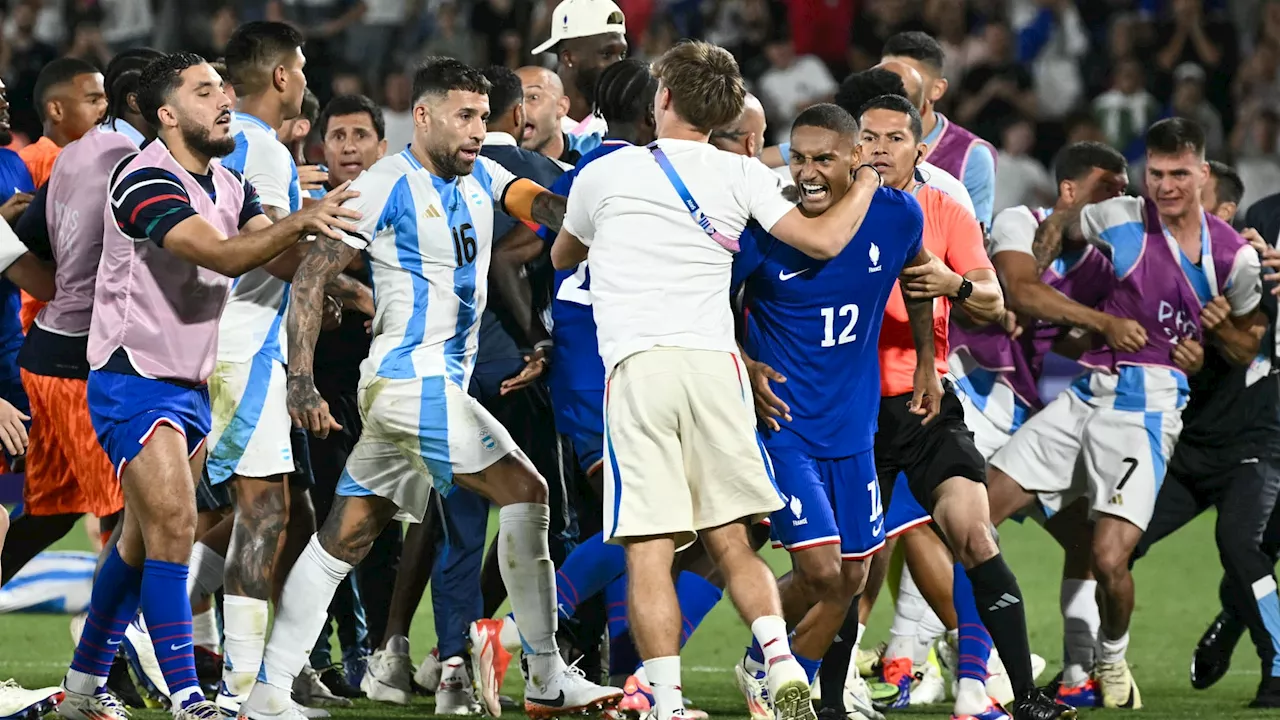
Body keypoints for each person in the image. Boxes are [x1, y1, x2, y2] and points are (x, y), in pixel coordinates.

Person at [236, 57, 623, 720]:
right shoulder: (386, 185)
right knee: (527, 492)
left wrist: (603, 213)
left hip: (420, 393)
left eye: (482, 116)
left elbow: (539, 207)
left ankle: (268, 689)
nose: (478, 129)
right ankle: (547, 676)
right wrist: (300, 379)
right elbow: (310, 275)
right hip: (408, 384)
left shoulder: (483, 176)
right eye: (464, 116)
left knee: (342, 539)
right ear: (423, 116)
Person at [551, 40, 890, 720]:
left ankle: (667, 703)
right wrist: (873, 183)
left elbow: (565, 256)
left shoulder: (605, 173)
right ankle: (781, 659)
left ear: (664, 99)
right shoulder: (743, 177)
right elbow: (822, 242)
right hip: (717, 368)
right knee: (733, 541)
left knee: (649, 552)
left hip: (639, 370)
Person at [54, 51, 359, 720]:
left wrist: (347, 282)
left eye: (223, 88)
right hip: (134, 376)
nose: (223, 100)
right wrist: (304, 219)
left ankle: (81, 688)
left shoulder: (228, 183)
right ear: (168, 114)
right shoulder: (143, 180)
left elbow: (273, 253)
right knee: (175, 527)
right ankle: (191, 698)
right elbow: (219, 253)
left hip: (191, 380)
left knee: (139, 546)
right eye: (203, 91)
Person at [986, 117, 1264, 710]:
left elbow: (1247, 345)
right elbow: (1066, 223)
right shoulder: (1121, 217)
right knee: (975, 514)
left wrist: (1216, 338)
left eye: (1179, 174)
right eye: (1156, 173)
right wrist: (1045, 248)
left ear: (1202, 174)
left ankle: (1109, 658)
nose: (1165, 185)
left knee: (1111, 559)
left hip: (1148, 412)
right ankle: (978, 658)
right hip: (1087, 393)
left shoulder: (1231, 258)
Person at [733, 101, 938, 720]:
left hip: (854, 425)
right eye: (799, 158)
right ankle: (771, 666)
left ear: (856, 158)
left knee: (853, 576)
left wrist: (927, 360)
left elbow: (919, 277)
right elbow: (712, 300)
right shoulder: (767, 225)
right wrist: (743, 359)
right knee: (822, 571)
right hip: (785, 424)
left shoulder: (898, 214)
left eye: (824, 159)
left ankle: (779, 675)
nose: (809, 173)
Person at [207, 22, 350, 715]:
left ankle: (176, 648)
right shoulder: (262, 147)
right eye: (297, 63)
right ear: (285, 76)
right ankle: (241, 693)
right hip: (244, 347)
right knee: (263, 514)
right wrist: (337, 243)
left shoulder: (231, 140)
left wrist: (332, 277)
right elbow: (274, 253)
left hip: (227, 344)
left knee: (252, 512)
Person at [974, 142, 1133, 708]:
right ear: (1069, 190)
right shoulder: (1020, 219)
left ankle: (1077, 670)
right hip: (988, 396)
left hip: (1054, 414)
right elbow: (1020, 289)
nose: (1120, 201)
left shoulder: (1111, 258)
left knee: (1084, 539)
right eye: (1107, 189)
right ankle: (944, 660)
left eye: (1124, 191)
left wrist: (1092, 331)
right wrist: (1100, 322)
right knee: (958, 524)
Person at [0, 49, 162, 588]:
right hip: (71, 360)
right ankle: (110, 654)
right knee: (128, 508)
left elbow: (32, 256)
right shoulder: (122, 158)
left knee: (55, 510)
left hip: (45, 352)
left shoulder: (71, 156)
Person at [1127, 164, 1280, 710]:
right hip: (1189, 437)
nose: (1177, 203)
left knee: (1246, 547)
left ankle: (1273, 661)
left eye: (1193, 195)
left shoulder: (1247, 251)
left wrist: (1223, 328)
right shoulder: (1262, 221)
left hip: (1257, 439)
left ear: (1223, 211)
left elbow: (1255, 344)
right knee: (1117, 541)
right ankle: (1091, 666)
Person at [301, 93, 389, 703]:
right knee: (329, 522)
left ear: (383, 145)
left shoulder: (403, 200)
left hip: (383, 390)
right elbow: (297, 269)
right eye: (338, 136)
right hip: (328, 392)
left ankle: (378, 654)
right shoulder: (310, 211)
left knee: (384, 529)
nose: (349, 146)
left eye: (361, 134)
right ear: (322, 147)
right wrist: (356, 290)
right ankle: (325, 653)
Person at [881, 31, 996, 230]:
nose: (893, 89)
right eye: (885, 77)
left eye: (909, 79)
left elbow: (974, 247)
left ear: (937, 89)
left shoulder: (971, 156)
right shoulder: (857, 142)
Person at [532, 0, 627, 139]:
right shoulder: (534, 126)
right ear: (568, 57)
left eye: (622, 54)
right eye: (607, 54)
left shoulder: (624, 127)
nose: (619, 66)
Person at [19, 57, 106, 188]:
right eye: (93, 101)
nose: (105, 108)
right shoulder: (27, 165)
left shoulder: (109, 156)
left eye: (107, 100)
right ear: (56, 110)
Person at [516, 66, 593, 164]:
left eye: (533, 97)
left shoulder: (594, 157)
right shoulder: (496, 167)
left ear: (561, 106)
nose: (520, 109)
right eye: (514, 100)